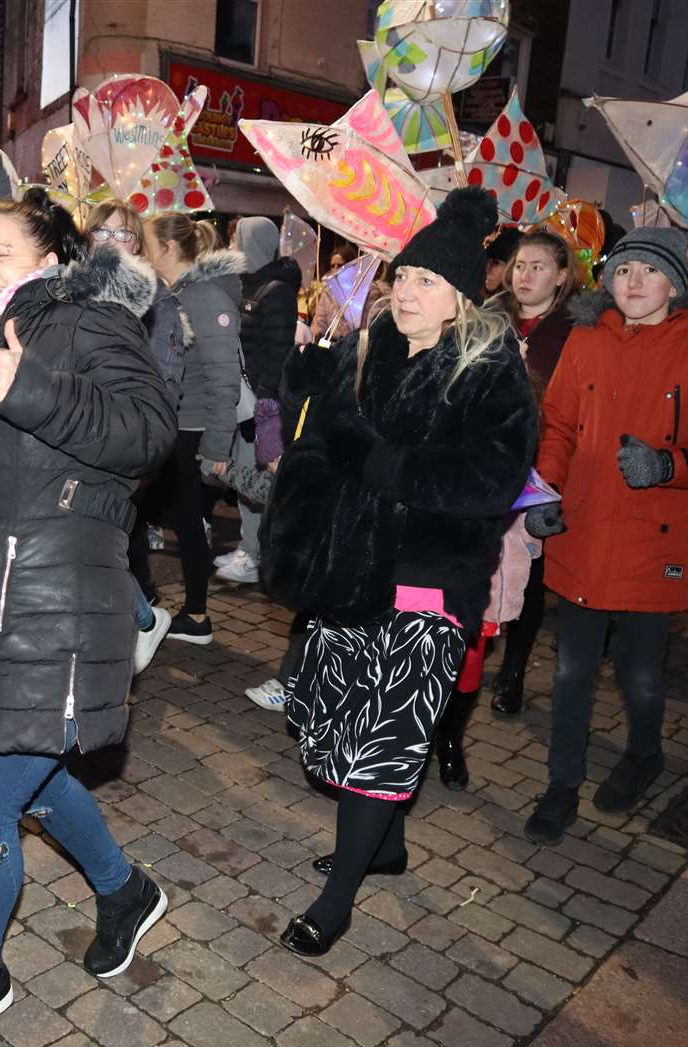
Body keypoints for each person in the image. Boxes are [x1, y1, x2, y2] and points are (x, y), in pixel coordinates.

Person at [0, 190, 177, 1047]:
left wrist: (38, 390)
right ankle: (124, 892)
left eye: (0, 251)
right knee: (32, 774)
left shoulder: (82, 322)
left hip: (60, 604)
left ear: (52, 258)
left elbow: (148, 432)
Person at [260, 187, 536, 956]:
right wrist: (299, 379)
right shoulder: (366, 348)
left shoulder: (490, 371)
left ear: (458, 298)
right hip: (349, 569)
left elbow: (489, 479)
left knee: (380, 741)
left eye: (427, 282)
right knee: (327, 723)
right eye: (403, 276)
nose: (406, 291)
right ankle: (382, 846)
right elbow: (313, 439)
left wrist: (386, 466)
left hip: (429, 581)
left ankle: (338, 898)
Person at [523, 227, 688, 846]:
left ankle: (645, 754)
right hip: (584, 534)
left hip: (657, 540)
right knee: (570, 672)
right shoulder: (586, 339)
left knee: (640, 675)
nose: (632, 284)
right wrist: (540, 495)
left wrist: (668, 464)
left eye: (649, 273)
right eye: (623, 271)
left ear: (676, 284)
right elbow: (559, 429)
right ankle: (561, 785)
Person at [485, 230, 579, 719]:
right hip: (488, 458)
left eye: (538, 266)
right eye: (520, 265)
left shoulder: (575, 330)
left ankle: (513, 671)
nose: (525, 275)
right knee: (481, 566)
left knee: (529, 572)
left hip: (542, 466)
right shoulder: (488, 318)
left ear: (562, 275)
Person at [84, 198, 180, 671]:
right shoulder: (76, 288)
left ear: (138, 244)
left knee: (99, 536)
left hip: (122, 439)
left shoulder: (154, 297)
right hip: (75, 426)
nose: (113, 242)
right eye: (103, 232)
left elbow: (165, 382)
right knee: (90, 538)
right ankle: (139, 618)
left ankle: (141, 618)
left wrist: (144, 451)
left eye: (124, 235)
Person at [144, 211, 244, 645]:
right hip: (176, 424)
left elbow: (225, 379)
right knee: (180, 521)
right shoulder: (175, 292)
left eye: (146, 243)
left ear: (166, 248)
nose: (141, 252)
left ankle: (198, 614)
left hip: (194, 429)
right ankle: (174, 608)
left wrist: (217, 447)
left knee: (186, 522)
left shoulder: (205, 298)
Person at [217, 216, 301, 587]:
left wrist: (264, 404)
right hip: (245, 399)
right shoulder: (250, 285)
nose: (233, 248)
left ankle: (254, 553)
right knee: (242, 474)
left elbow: (277, 352)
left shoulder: (276, 290)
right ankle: (248, 546)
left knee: (254, 478)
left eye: (237, 241)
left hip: (261, 403)